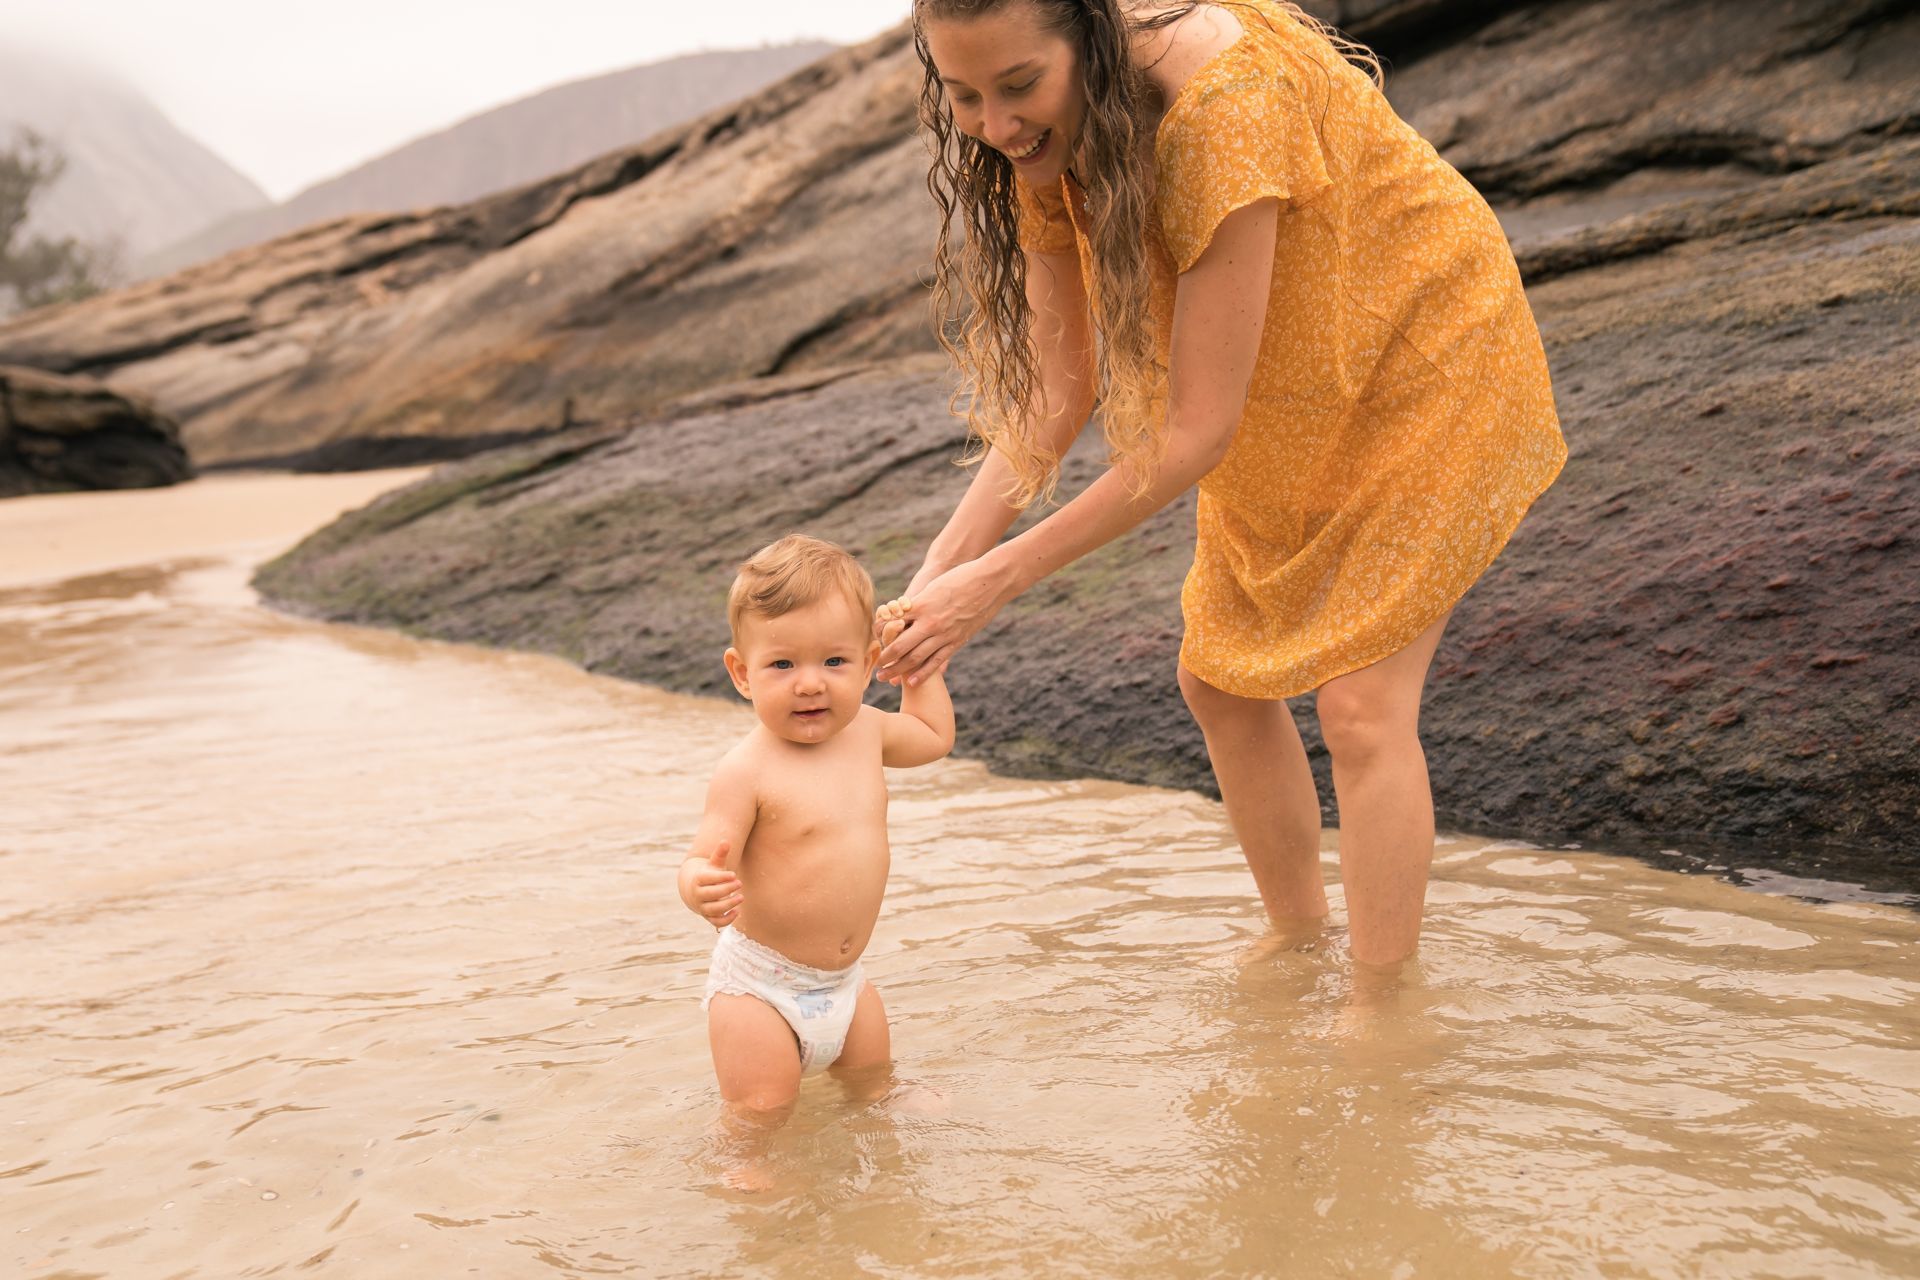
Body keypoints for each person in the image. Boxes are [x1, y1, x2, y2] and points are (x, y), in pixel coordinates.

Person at [879, 0, 1567, 967]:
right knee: (1218, 681)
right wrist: (941, 570)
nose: (995, 125)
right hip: (1298, 370)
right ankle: (1296, 948)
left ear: (1091, 34)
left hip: (1427, 353)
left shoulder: (1224, 99)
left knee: (1361, 711)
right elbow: (1058, 394)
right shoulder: (1049, 135)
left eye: (1020, 85)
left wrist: (992, 587)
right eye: (965, 97)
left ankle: (1382, 1015)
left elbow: (1197, 431)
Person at [678, 534, 954, 1114]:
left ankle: (879, 1140)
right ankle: (745, 1166)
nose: (810, 683)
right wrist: (699, 885)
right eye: (782, 664)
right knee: (760, 1113)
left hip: (845, 983)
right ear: (742, 673)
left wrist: (918, 666)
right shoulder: (746, 771)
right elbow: (701, 858)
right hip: (760, 989)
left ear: (868, 663)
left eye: (834, 661)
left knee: (873, 1093)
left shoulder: (870, 732)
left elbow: (933, 737)